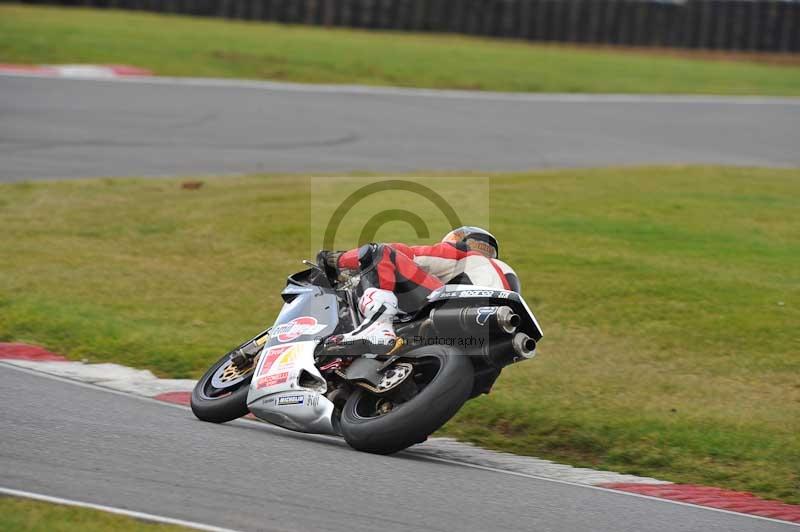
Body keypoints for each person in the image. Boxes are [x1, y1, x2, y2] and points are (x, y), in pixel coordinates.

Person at [317, 226, 519, 354]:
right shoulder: (508, 275)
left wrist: (337, 260)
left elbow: (404, 253)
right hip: (495, 337)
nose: (478, 249)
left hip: (455, 305)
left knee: (380, 252)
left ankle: (377, 325)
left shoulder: (462, 252)